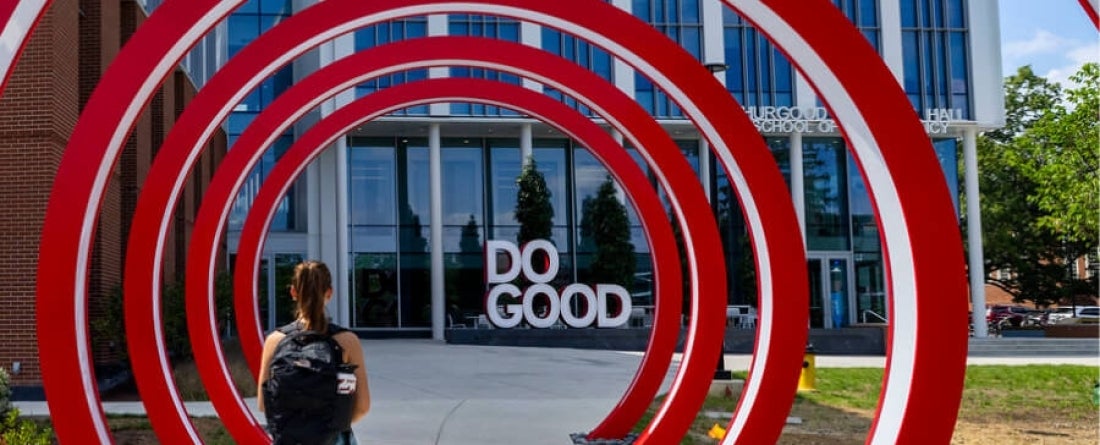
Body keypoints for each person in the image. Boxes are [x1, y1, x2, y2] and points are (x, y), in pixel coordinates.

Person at [258, 260, 371, 444]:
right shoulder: (347, 341)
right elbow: (363, 406)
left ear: (293, 292)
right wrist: (331, 426)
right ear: (329, 293)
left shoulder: (275, 340)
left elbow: (265, 403)